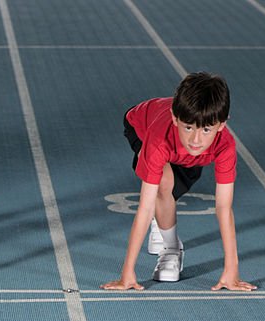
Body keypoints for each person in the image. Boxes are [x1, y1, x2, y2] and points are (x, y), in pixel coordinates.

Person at [102, 72, 255, 292]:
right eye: (188, 127)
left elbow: (223, 207)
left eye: (206, 130)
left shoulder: (224, 145)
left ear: (221, 125)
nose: (196, 139)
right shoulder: (159, 139)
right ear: (175, 118)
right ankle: (172, 248)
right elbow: (144, 208)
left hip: (183, 155)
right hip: (141, 125)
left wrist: (232, 269)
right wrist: (127, 272)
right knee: (162, 184)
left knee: (169, 193)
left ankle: (162, 219)